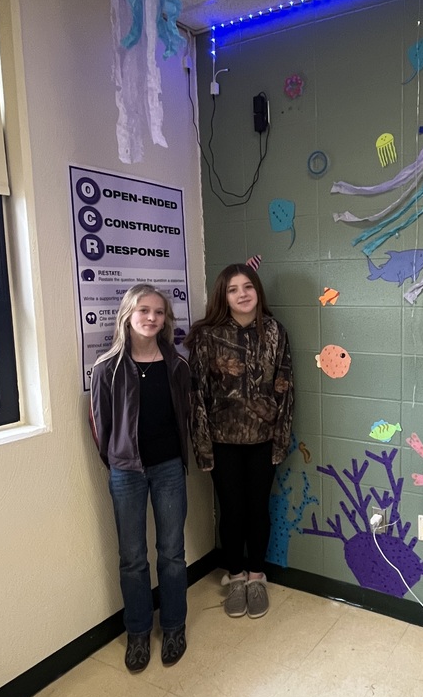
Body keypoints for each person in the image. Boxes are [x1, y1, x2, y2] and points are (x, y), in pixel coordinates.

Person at [90, 285, 190, 673]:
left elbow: (184, 415)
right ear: (127, 315)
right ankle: (138, 631)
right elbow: (101, 427)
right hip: (126, 472)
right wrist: (119, 461)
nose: (151, 318)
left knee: (172, 553)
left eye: (159, 312)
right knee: (132, 558)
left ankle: (174, 626)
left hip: (169, 469)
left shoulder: (177, 366)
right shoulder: (107, 368)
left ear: (166, 320)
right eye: (144, 310)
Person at [186, 264, 293, 619]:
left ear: (257, 291)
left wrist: (281, 439)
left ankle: (257, 576)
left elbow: (285, 388)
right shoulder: (208, 336)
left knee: (258, 509)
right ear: (224, 296)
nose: (242, 294)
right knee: (232, 511)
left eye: (248, 286)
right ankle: (235, 577)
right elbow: (196, 395)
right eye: (233, 289)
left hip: (264, 439)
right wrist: (202, 446)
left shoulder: (275, 331)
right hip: (222, 441)